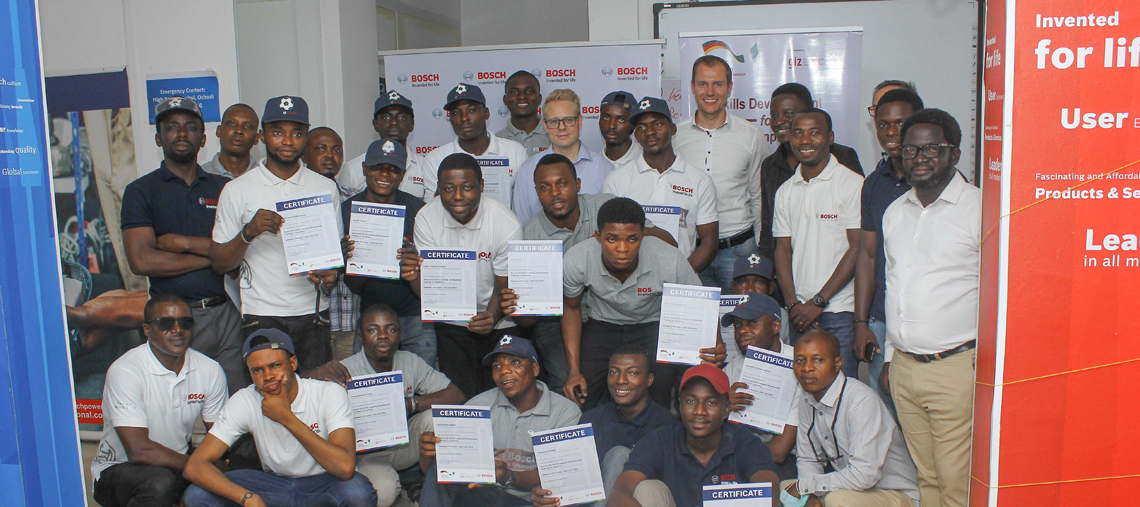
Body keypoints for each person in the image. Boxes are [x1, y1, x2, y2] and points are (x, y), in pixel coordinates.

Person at [502, 154, 675, 393]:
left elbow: (664, 242)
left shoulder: (605, 207)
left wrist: (635, 240)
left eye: (562, 183)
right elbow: (529, 318)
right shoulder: (530, 235)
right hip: (559, 313)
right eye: (545, 187)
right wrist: (518, 306)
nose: (555, 193)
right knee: (569, 382)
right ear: (536, 192)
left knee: (645, 374)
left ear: (578, 185)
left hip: (606, 311)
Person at [880, 109, 978, 507]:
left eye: (931, 148)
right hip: (904, 367)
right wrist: (890, 358)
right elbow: (894, 286)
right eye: (910, 149)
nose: (919, 157)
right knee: (928, 480)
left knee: (957, 483)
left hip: (953, 367)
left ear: (953, 154)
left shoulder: (979, 211)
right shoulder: (894, 212)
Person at [121, 96, 245, 395]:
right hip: (176, 319)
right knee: (182, 404)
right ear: (158, 136)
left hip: (228, 313)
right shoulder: (141, 191)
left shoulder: (224, 187)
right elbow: (142, 261)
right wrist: (215, 257)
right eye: (171, 127)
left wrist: (181, 245)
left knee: (236, 403)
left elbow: (241, 252)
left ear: (202, 139)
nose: (181, 134)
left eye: (190, 127)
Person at [208, 95, 341, 372]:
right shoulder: (237, 189)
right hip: (261, 315)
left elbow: (333, 257)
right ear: (262, 136)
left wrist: (331, 275)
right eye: (278, 132)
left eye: (297, 133)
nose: (288, 141)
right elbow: (220, 262)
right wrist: (248, 232)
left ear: (305, 136)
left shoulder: (325, 188)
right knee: (267, 405)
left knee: (316, 402)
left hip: (313, 313)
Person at [183, 329, 378, 507]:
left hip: (322, 483)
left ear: (292, 363)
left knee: (357, 491)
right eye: (257, 370)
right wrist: (247, 498)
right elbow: (195, 466)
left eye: (275, 365)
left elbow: (345, 468)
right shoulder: (245, 399)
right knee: (197, 494)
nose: (267, 376)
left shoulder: (328, 393)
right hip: (273, 485)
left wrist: (286, 417)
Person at [559, 197, 720, 410]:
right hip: (602, 325)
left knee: (657, 395)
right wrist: (573, 370)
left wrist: (716, 345)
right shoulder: (577, 259)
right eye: (612, 239)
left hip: (653, 325)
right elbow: (571, 308)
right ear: (598, 236)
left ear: (644, 236)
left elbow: (700, 305)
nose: (622, 249)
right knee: (581, 395)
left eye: (632, 239)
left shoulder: (669, 259)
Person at [306, 303, 466, 504]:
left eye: (390, 329)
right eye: (373, 330)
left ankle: (435, 487)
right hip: (365, 454)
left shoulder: (409, 361)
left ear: (400, 335)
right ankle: (394, 480)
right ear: (361, 338)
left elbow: (457, 395)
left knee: (438, 418)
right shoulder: (345, 370)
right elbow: (300, 391)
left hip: (402, 443)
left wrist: (410, 403)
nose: (383, 335)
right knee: (384, 493)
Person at [400, 153, 522, 398]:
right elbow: (431, 293)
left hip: (498, 321)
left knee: (498, 396)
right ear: (438, 189)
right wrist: (413, 275)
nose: (457, 197)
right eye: (448, 188)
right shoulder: (426, 218)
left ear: (481, 186)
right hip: (451, 322)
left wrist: (493, 315)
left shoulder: (505, 223)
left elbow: (503, 286)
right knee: (462, 396)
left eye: (467, 187)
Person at [90, 293, 228, 507]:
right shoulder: (126, 370)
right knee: (159, 484)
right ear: (147, 330)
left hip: (177, 463)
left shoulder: (209, 369)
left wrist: (216, 465)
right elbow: (138, 450)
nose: (177, 330)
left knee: (240, 471)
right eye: (166, 323)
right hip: (119, 469)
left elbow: (220, 435)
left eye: (185, 322)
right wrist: (199, 466)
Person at [418, 336, 581, 506]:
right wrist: (426, 456)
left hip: (528, 501)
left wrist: (508, 476)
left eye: (515, 362)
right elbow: (445, 471)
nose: (504, 371)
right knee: (438, 474)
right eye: (497, 366)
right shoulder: (477, 406)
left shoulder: (565, 412)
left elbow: (560, 476)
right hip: (482, 495)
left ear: (534, 368)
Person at [605, 363, 780, 507]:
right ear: (679, 405)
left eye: (711, 402)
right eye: (691, 401)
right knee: (648, 488)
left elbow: (768, 490)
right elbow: (619, 493)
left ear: (726, 408)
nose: (699, 411)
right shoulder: (660, 440)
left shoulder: (745, 443)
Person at [772, 108, 863, 379]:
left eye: (814, 132)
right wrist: (793, 304)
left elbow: (857, 249)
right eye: (797, 133)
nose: (805, 140)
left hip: (840, 312)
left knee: (842, 394)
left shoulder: (852, 184)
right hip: (799, 314)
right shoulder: (786, 190)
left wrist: (819, 301)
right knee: (803, 394)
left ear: (830, 137)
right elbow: (782, 250)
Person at [783, 330, 919, 507]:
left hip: (894, 494)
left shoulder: (861, 400)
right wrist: (810, 496)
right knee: (784, 490)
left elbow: (864, 476)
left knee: (838, 500)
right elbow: (808, 459)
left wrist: (808, 486)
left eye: (818, 360)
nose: (807, 368)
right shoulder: (806, 398)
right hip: (853, 489)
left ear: (837, 363)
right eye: (800, 360)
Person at [852, 89, 924, 418]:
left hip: (924, 324)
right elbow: (866, 256)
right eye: (883, 124)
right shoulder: (873, 184)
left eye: (900, 123)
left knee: (919, 416)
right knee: (887, 417)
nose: (891, 132)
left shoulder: (936, 182)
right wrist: (861, 323)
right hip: (880, 321)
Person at [674, 55, 770, 294]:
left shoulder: (751, 136)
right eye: (703, 84)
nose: (710, 91)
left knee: (743, 325)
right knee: (697, 328)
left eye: (717, 84)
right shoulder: (675, 136)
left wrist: (758, 245)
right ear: (693, 87)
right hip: (690, 251)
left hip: (739, 250)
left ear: (729, 88)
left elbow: (758, 195)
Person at [340, 138, 434, 365]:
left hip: (414, 317)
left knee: (422, 385)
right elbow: (354, 287)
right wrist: (349, 260)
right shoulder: (347, 212)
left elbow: (430, 280)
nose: (384, 174)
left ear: (403, 175)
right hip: (370, 316)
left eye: (393, 169)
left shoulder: (420, 211)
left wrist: (413, 266)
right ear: (364, 169)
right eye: (376, 167)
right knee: (367, 389)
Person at [604, 96, 720, 270]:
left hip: (680, 283)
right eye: (641, 127)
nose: (650, 132)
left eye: (657, 124)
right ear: (635, 136)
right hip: (631, 284)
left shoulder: (699, 181)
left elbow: (709, 242)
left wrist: (680, 276)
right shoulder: (617, 179)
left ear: (673, 129)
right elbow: (609, 238)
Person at [558, 345, 675, 504]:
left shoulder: (666, 425)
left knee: (620, 455)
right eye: (614, 372)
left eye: (633, 373)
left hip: (643, 501)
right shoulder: (591, 420)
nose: (620, 380)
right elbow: (572, 482)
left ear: (649, 379)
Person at [759, 83, 863, 259]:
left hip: (834, 269)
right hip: (784, 272)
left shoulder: (843, 157)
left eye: (788, 114)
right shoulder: (770, 165)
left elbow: (858, 227)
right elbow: (768, 226)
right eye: (774, 116)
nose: (778, 122)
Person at [722, 293, 799, 481]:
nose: (742, 331)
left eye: (752, 322)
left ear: (776, 326)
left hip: (789, 460)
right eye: (738, 325)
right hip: (744, 455)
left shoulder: (799, 366)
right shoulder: (733, 369)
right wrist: (721, 407)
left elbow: (780, 452)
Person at [511, 89, 615, 224]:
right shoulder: (528, 170)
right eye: (554, 121)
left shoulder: (604, 169)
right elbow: (522, 225)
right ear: (545, 126)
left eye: (568, 120)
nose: (561, 127)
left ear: (580, 122)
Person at [302, 127, 359, 361]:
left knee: (349, 391)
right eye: (320, 149)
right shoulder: (294, 202)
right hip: (310, 318)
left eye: (336, 150)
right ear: (304, 155)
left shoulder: (357, 200)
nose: (330, 156)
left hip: (350, 321)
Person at [422, 83, 527, 207]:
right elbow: (431, 209)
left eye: (471, 110)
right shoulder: (435, 159)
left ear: (486, 113)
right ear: (449, 119)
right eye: (456, 113)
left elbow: (524, 203)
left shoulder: (514, 151)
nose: (464, 118)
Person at [339, 90, 427, 199]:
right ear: (375, 124)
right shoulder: (352, 169)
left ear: (412, 125)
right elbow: (346, 212)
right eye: (386, 118)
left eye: (401, 118)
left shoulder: (425, 166)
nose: (394, 122)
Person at [497, 70, 550, 158]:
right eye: (514, 92)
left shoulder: (555, 135)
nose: (522, 97)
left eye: (529, 91)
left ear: (539, 99)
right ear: (505, 100)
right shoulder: (496, 141)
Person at [202, 103, 260, 179]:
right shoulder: (200, 176)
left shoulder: (265, 177)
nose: (239, 131)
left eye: (247, 127)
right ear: (219, 131)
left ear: (256, 138)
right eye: (231, 124)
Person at [598, 91, 643, 167]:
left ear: (633, 124)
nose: (611, 126)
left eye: (621, 120)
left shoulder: (646, 159)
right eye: (606, 118)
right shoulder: (593, 164)